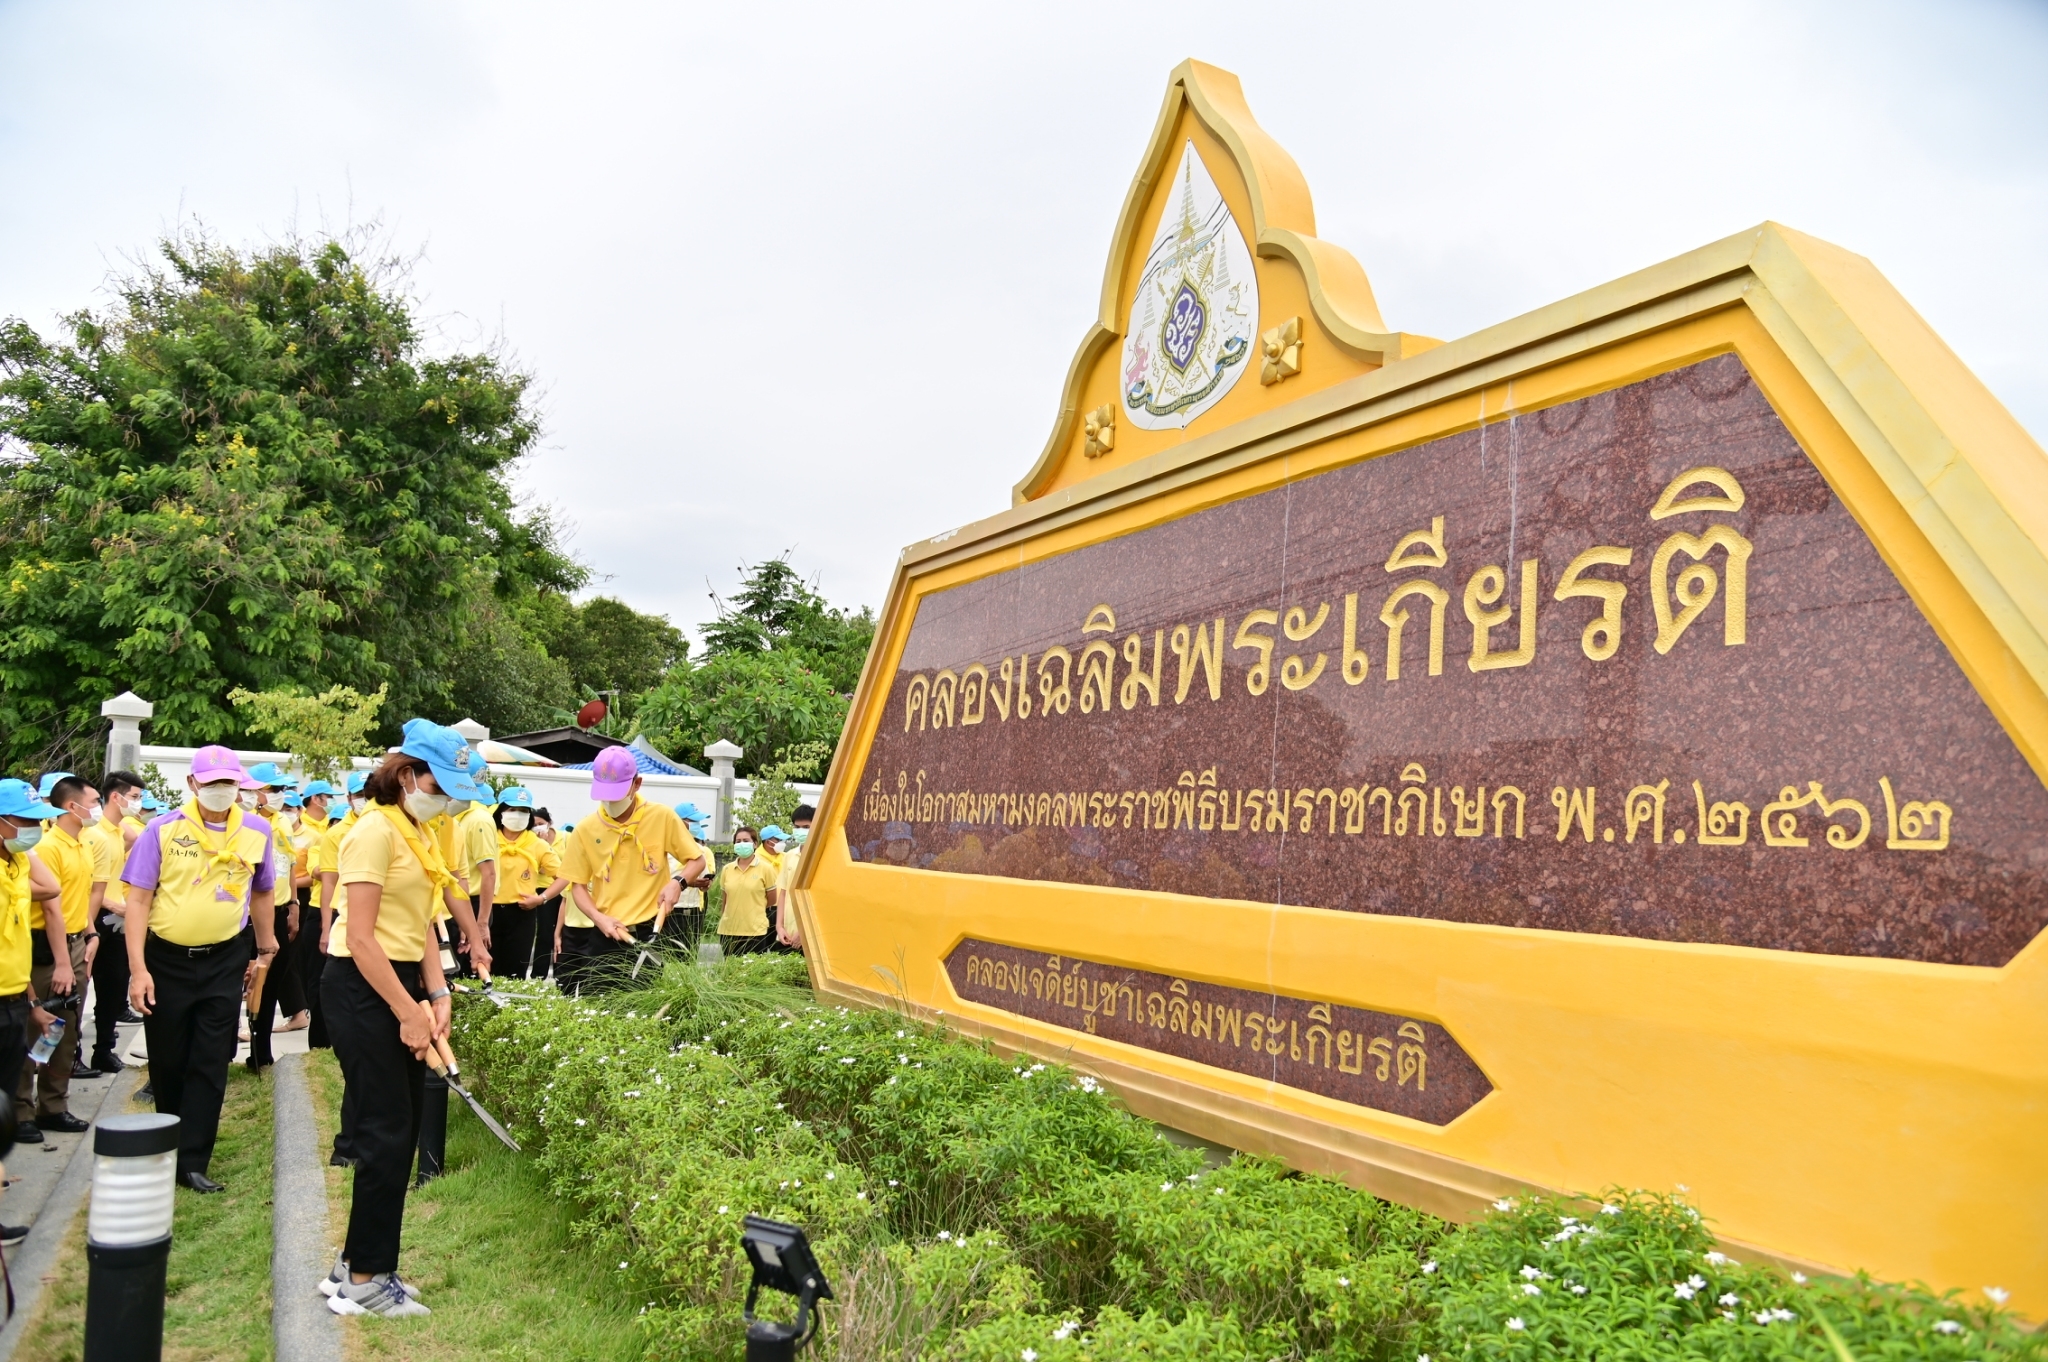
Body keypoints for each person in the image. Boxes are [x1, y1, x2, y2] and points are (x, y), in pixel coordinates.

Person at [321, 721, 484, 1316]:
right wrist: (406, 1010)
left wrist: (436, 993)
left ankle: (353, 1264)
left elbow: (419, 923)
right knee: (385, 1133)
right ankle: (367, 1281)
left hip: (399, 980)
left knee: (399, 1128)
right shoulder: (373, 832)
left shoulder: (418, 830)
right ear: (408, 775)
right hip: (364, 986)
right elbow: (361, 939)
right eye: (440, 787)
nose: (446, 801)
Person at [122, 747, 281, 1191]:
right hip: (167, 960)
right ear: (192, 784)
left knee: (211, 1060)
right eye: (211, 783)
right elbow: (138, 900)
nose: (221, 790)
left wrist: (265, 946)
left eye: (228, 782)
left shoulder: (256, 830)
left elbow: (262, 891)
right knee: (169, 1059)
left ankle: (194, 1160)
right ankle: (169, 1144)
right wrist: (138, 969)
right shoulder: (162, 829)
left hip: (225, 958)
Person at [554, 747, 700, 994]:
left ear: (636, 784)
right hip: (606, 931)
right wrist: (599, 919)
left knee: (647, 1003)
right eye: (605, 794)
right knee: (599, 1004)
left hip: (651, 929)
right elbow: (577, 886)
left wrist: (678, 882)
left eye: (617, 794)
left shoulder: (662, 817)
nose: (611, 802)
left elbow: (696, 860)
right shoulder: (585, 829)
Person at [19, 775, 105, 1131]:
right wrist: (61, 963)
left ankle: (53, 1106)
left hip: (75, 943)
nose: (98, 808)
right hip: (45, 948)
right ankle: (21, 1112)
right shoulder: (48, 847)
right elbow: (51, 908)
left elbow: (78, 896)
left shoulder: (82, 842)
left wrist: (90, 933)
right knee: (34, 1028)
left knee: (65, 1031)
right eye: (95, 801)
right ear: (72, 806)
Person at [0, 781, 60, 1242]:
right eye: (23, 821)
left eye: (38, 820)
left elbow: (51, 887)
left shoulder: (17, 864)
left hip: (13, 1002)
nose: (33, 829)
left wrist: (33, 1004)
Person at [489, 788, 564, 980]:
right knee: (487, 970)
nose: (518, 815)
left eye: (523, 811)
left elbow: (564, 876)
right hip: (488, 912)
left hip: (521, 913)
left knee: (515, 973)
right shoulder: (489, 838)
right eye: (512, 810)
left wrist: (541, 898)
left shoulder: (537, 844)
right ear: (501, 811)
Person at [296, 780, 342, 1048]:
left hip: (347, 912)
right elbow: (317, 872)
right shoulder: (319, 845)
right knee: (317, 980)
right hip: (320, 913)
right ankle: (319, 1042)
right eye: (334, 823)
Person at [453, 787, 498, 979]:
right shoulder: (458, 817)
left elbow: (488, 873)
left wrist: (480, 923)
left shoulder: (478, 820)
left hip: (473, 902)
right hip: (459, 899)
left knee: (468, 967)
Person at [716, 829, 778, 956]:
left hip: (755, 931)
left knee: (753, 967)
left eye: (746, 840)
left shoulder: (766, 869)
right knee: (730, 967)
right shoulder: (727, 869)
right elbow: (725, 900)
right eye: (738, 841)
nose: (741, 844)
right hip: (729, 930)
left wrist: (754, 907)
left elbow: (771, 900)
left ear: (755, 844)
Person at [666, 804, 715, 950]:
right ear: (678, 822)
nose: (697, 825)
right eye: (693, 821)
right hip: (670, 909)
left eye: (698, 821)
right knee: (669, 953)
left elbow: (705, 879)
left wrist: (705, 884)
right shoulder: (665, 848)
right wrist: (688, 882)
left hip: (693, 909)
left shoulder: (700, 850)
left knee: (690, 952)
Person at [771, 804, 814, 952]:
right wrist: (779, 927)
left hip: (810, 936)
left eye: (806, 827)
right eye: (797, 827)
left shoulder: (821, 855)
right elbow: (783, 893)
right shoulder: (789, 856)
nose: (801, 831)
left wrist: (804, 931)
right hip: (786, 934)